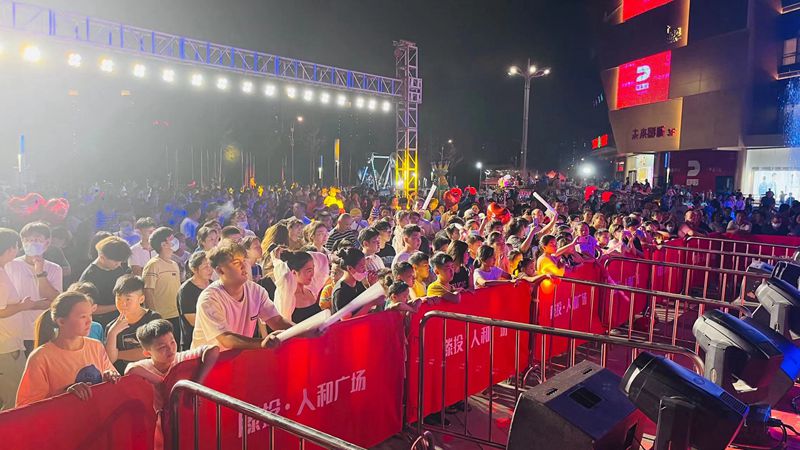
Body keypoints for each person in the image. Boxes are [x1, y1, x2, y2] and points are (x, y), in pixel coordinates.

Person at [16, 291, 119, 407]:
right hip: (63, 417)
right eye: (83, 317)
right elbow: (25, 406)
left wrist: (109, 376)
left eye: (90, 315)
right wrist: (64, 394)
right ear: (61, 321)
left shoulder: (96, 346)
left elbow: (111, 376)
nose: (89, 321)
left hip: (96, 414)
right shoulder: (40, 357)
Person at [191, 242, 293, 350]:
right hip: (209, 359)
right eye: (236, 263)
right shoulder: (210, 299)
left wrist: (302, 329)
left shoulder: (256, 291)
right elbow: (226, 339)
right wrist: (262, 343)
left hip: (238, 356)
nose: (244, 266)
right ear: (220, 270)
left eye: (244, 261)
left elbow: (277, 321)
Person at [0, 228, 50, 410]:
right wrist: (23, 305)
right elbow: (1, 311)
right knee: (14, 399)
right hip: (6, 346)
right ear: (10, 249)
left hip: (10, 342)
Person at [125, 319, 219, 409]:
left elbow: (213, 349)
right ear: (147, 353)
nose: (170, 349)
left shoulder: (181, 357)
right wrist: (160, 382)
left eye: (172, 342)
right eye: (162, 347)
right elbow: (130, 369)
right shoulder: (145, 366)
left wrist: (196, 385)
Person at [5, 222, 64, 354]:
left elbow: (54, 300)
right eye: (27, 240)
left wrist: (40, 272)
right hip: (16, 331)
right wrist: (33, 304)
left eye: (36, 240)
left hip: (42, 329)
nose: (31, 243)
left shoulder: (55, 269)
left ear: (47, 243)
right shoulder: (10, 265)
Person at [105, 275, 161, 373]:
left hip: (152, 373)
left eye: (128, 299)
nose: (123, 304)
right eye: (119, 299)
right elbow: (109, 359)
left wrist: (117, 354)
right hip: (124, 377)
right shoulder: (112, 327)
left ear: (141, 299)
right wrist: (112, 333)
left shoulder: (153, 319)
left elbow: (152, 350)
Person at [78, 236, 132, 328]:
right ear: (102, 257)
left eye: (120, 261)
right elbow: (89, 309)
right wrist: (117, 306)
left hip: (120, 320)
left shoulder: (117, 269)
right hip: (100, 324)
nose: (119, 264)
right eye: (116, 261)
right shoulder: (89, 277)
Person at [142, 227, 181, 343]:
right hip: (162, 316)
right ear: (163, 244)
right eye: (171, 239)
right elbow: (148, 290)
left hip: (176, 313)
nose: (175, 241)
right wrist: (154, 317)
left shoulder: (174, 264)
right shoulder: (153, 265)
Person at [273, 250, 322, 323]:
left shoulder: (310, 291)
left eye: (313, 269)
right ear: (294, 272)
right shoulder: (287, 298)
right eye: (309, 271)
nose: (312, 274)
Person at [177, 252, 213, 351]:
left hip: (213, 340)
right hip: (193, 343)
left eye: (211, 265)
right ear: (194, 269)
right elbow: (192, 320)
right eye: (205, 267)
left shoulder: (214, 286)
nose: (210, 269)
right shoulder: (186, 290)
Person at [331, 247, 376, 312]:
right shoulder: (340, 292)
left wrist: (372, 285)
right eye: (362, 267)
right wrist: (370, 304)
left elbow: (366, 300)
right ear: (350, 268)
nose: (365, 270)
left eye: (365, 266)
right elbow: (347, 317)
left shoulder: (357, 283)